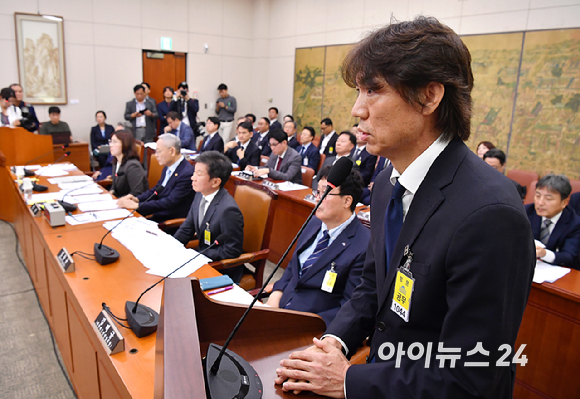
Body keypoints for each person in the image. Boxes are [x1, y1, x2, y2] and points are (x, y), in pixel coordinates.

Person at [275, 17, 535, 398]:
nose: (357, 110)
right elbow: (373, 286)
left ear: (429, 96)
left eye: (373, 91)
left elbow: (472, 379)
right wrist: (335, 342)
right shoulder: (385, 182)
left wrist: (347, 380)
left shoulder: (491, 214)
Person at [266, 167, 369, 326]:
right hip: (280, 309)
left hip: (312, 327)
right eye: (317, 192)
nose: (317, 199)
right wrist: (276, 294)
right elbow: (294, 266)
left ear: (347, 201)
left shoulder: (364, 245)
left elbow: (351, 306)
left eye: (325, 193)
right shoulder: (314, 222)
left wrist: (310, 326)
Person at [174, 151, 245, 281]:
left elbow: (232, 250)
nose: (192, 177)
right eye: (194, 172)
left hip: (220, 269)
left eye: (199, 174)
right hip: (201, 258)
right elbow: (187, 228)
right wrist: (171, 247)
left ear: (215, 182)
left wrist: (198, 255)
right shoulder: (200, 194)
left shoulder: (228, 210)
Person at [117, 133, 194, 223]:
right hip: (158, 214)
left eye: (158, 151)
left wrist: (138, 205)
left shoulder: (186, 173)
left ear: (172, 151)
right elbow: (156, 191)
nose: (156, 155)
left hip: (169, 221)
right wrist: (137, 199)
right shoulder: (168, 166)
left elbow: (170, 202)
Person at [526, 174, 580, 270]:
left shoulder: (575, 223)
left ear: (564, 202)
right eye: (537, 196)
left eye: (548, 198)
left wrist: (544, 253)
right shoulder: (525, 212)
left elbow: (569, 256)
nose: (540, 203)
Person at [109, 130, 148, 198]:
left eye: (114, 142)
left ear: (125, 144)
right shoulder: (116, 162)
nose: (110, 145)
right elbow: (114, 186)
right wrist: (110, 192)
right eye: (110, 141)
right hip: (118, 201)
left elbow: (137, 193)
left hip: (131, 205)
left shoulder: (133, 166)